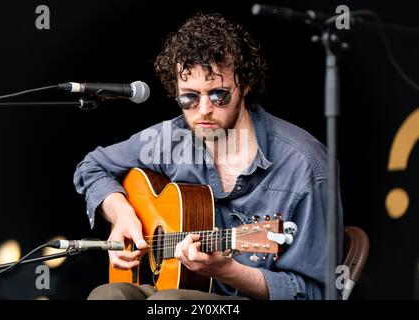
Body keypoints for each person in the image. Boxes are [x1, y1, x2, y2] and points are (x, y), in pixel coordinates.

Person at [73, 12, 343, 300]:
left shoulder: (305, 167)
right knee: (108, 296)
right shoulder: (171, 139)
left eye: (218, 95)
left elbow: (319, 294)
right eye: (189, 97)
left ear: (245, 85)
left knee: (170, 303)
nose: (202, 110)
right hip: (170, 287)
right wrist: (122, 215)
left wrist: (227, 271)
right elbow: (93, 167)